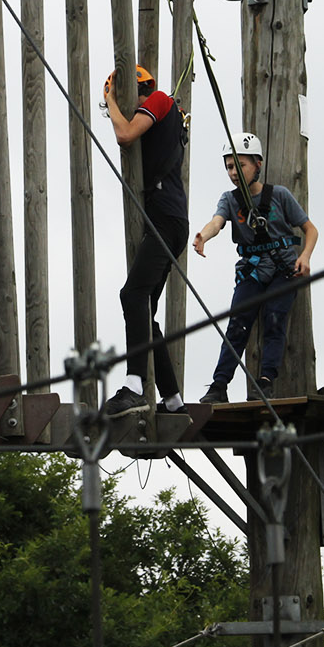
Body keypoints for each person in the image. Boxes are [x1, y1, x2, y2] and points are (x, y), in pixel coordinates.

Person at [189, 133, 318, 403]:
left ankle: (266, 380)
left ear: (257, 164)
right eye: (229, 167)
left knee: (274, 319)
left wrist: (304, 257)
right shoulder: (230, 199)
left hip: (285, 269)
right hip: (253, 269)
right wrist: (203, 235)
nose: (233, 173)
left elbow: (310, 230)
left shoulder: (279, 196)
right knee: (238, 324)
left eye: (239, 165)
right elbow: (217, 221)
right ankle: (218, 385)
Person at [101, 68, 190, 417]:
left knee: (132, 295)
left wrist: (109, 100)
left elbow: (125, 134)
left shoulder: (159, 100)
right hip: (167, 219)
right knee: (145, 312)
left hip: (166, 219)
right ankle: (173, 401)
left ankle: (134, 384)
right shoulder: (163, 112)